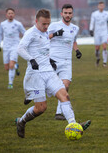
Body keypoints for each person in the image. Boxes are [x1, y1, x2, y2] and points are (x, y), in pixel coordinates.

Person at [15, 9, 90, 138]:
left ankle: (73, 125)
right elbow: (20, 48)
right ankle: (21, 121)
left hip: (49, 72)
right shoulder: (31, 33)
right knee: (41, 108)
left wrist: (49, 60)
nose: (46, 27)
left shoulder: (45, 33)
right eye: (43, 24)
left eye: (48, 24)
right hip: (35, 74)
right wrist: (31, 59)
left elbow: (43, 50)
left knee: (64, 96)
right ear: (36, 21)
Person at [47, 4, 82, 120]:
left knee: (65, 86)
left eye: (70, 13)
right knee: (49, 87)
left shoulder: (75, 28)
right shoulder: (54, 25)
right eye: (65, 13)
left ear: (72, 14)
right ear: (61, 13)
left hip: (67, 62)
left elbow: (74, 41)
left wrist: (77, 50)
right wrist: (55, 34)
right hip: (53, 60)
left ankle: (59, 112)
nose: (67, 15)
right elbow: (43, 38)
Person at [0, 8, 26, 89]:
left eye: (12, 13)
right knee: (7, 68)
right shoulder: (3, 24)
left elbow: (25, 33)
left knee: (11, 65)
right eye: (9, 13)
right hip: (6, 47)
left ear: (14, 14)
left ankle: (10, 83)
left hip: (15, 47)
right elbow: (0, 35)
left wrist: (25, 43)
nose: (10, 14)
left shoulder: (18, 24)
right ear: (6, 15)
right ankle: (16, 67)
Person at [89, 1, 108, 67]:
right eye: (100, 5)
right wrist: (91, 29)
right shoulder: (94, 14)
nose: (101, 7)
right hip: (97, 32)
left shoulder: (107, 14)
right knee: (97, 48)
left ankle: (104, 62)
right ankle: (98, 58)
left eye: (102, 5)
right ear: (98, 6)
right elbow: (92, 22)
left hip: (104, 32)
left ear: (104, 6)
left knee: (104, 46)